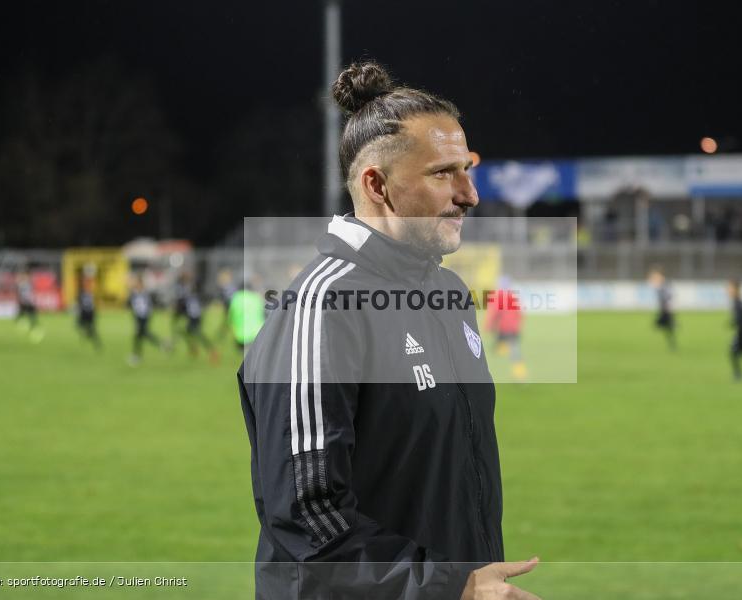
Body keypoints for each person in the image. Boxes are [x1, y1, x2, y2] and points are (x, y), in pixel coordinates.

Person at [238, 61, 539, 600]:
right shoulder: (323, 305)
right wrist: (452, 586)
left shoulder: (447, 294)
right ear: (377, 185)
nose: (469, 194)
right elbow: (310, 516)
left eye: (465, 169)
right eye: (443, 173)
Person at [484, 275, 527, 380]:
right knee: (514, 352)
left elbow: (493, 313)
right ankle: (520, 375)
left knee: (498, 349)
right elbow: (521, 313)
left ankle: (493, 373)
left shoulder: (498, 296)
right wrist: (518, 326)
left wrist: (488, 326)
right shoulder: (513, 296)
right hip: (514, 329)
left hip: (503, 329)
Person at [127, 275, 167, 367]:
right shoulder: (135, 293)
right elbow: (131, 305)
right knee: (141, 335)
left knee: (140, 335)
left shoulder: (144, 293)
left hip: (144, 317)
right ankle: (161, 345)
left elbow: (149, 305)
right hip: (138, 316)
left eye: (137, 283)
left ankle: (137, 356)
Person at [183, 285, 219, 364]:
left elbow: (193, 308)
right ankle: (194, 348)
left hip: (195, 318)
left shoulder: (192, 297)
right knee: (188, 332)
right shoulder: (192, 297)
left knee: (198, 334)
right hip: (193, 318)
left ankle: (212, 350)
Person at [228, 278, 264, 351]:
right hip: (257, 333)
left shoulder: (236, 298)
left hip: (241, 335)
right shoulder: (256, 297)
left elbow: (231, 316)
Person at [648, 265, 676, 351]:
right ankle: (672, 325)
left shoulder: (664, 285)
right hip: (664, 308)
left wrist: (667, 304)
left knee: (662, 325)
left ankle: (673, 325)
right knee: (664, 326)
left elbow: (668, 295)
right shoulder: (661, 285)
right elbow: (653, 282)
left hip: (665, 308)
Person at [15, 269, 44, 343]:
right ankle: (28, 325)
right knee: (21, 315)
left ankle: (34, 327)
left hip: (29, 303)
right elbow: (20, 293)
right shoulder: (23, 284)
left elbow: (27, 293)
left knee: (31, 316)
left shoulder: (26, 284)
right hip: (25, 303)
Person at [76, 273, 102, 351]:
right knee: (80, 325)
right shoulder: (81, 292)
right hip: (84, 312)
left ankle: (97, 343)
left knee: (92, 329)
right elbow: (79, 303)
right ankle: (87, 333)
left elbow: (93, 302)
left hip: (90, 312)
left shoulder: (90, 291)